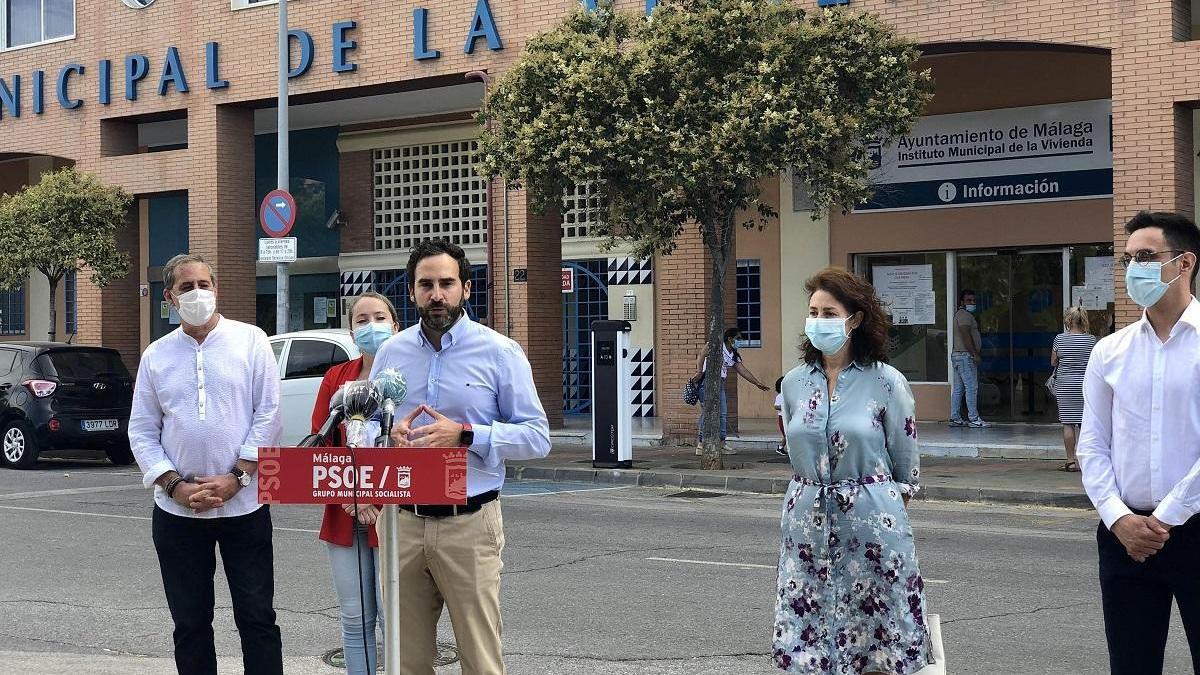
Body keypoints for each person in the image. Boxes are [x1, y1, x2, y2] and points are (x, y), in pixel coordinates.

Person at [369, 239, 550, 675]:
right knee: (405, 659)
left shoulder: (499, 352)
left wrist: (466, 435)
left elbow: (537, 437)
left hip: (468, 522)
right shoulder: (391, 353)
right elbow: (369, 424)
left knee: (480, 659)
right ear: (411, 292)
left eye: (447, 283)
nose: (437, 294)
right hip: (402, 522)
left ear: (466, 289)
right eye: (426, 284)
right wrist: (385, 432)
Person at [128, 253, 283, 675]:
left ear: (216, 288)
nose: (198, 293)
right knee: (191, 623)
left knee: (257, 619)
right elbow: (141, 430)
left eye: (204, 284)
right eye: (186, 287)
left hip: (245, 506)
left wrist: (239, 476)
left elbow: (269, 415)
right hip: (178, 512)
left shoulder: (251, 340)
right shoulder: (156, 356)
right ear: (170, 297)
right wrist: (174, 484)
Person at [774, 267, 929, 675]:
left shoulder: (887, 382)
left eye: (829, 313)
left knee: (876, 644)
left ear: (855, 319)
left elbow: (907, 467)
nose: (818, 321)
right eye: (813, 312)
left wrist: (878, 513)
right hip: (806, 528)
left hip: (871, 534)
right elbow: (795, 445)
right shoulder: (793, 384)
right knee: (810, 645)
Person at [1077, 211, 1200, 675]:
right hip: (1123, 537)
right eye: (1127, 259)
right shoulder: (1109, 350)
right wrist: (1118, 518)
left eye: (1146, 257)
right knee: (1131, 663)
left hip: (1193, 529)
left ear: (1184, 262)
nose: (1134, 269)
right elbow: (1092, 444)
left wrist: (1165, 518)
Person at [311, 292, 400, 675]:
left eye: (379, 317)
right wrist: (352, 497)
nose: (370, 326)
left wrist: (375, 498)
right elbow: (320, 441)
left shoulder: (405, 377)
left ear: (395, 326)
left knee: (392, 619)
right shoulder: (337, 378)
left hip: (395, 515)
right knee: (354, 618)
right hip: (343, 512)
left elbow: (412, 446)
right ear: (351, 330)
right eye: (361, 320)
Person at [691, 327, 771, 455]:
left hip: (720, 383)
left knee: (722, 413)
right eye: (738, 339)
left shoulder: (733, 354)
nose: (740, 342)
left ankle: (722, 442)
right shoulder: (715, 344)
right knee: (708, 412)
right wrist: (699, 371)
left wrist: (757, 383)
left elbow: (743, 370)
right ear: (730, 338)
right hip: (707, 381)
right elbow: (702, 354)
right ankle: (701, 443)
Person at [1050, 306, 1097, 473]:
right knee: (1086, 424)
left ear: (1068, 320)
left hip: (1065, 385)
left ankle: (1070, 461)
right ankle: (1087, 462)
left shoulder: (1059, 339)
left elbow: (1053, 362)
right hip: (1086, 385)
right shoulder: (1091, 340)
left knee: (1068, 423)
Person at [949, 288, 988, 428]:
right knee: (971, 387)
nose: (972, 303)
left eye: (973, 300)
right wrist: (974, 354)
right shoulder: (964, 315)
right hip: (965, 356)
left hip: (959, 355)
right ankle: (973, 418)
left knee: (959, 388)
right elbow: (965, 334)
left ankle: (955, 417)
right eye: (968, 300)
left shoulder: (961, 314)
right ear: (962, 302)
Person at [774, 376, 787, 457]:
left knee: (787, 434)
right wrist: (784, 407)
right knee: (787, 434)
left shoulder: (788, 395)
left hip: (788, 417)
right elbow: (776, 406)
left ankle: (781, 447)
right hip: (782, 418)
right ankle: (780, 447)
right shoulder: (780, 396)